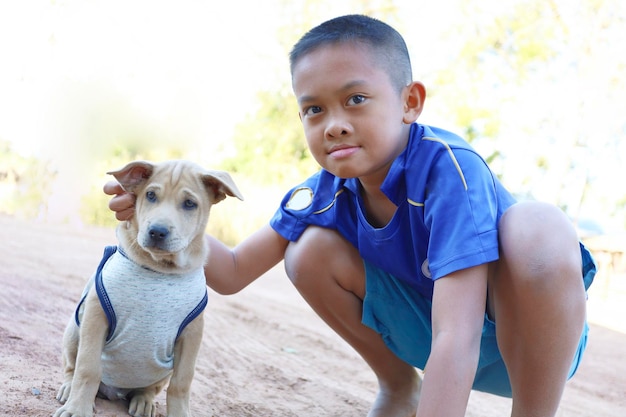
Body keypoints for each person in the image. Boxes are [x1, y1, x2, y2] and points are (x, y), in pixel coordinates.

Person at [104, 14, 596, 417]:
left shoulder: (448, 170)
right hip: (431, 340)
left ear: (410, 102)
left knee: (540, 227)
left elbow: (457, 333)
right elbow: (231, 273)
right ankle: (401, 388)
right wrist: (149, 219)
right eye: (314, 110)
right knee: (308, 251)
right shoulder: (323, 193)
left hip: (526, 344)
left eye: (355, 100)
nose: (335, 125)